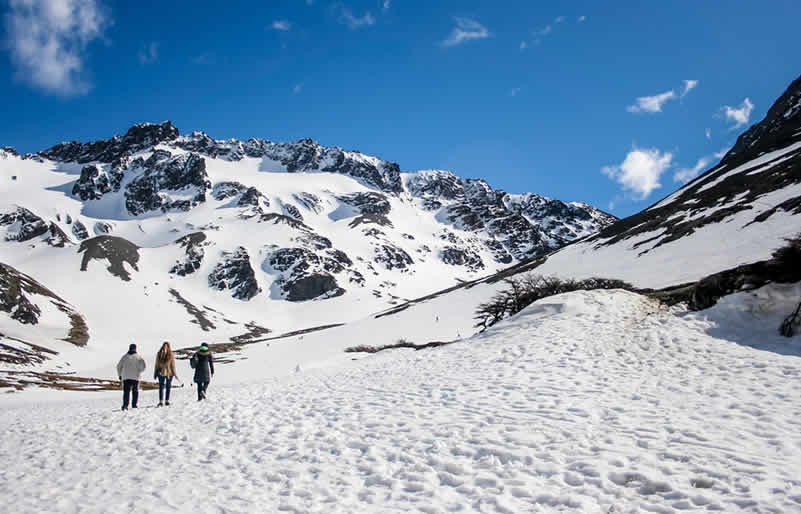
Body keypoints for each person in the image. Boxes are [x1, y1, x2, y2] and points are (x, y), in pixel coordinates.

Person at [116, 343, 146, 410]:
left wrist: (120, 375)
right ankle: (134, 405)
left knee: (126, 392)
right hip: (136, 377)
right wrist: (139, 371)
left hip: (126, 377)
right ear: (135, 349)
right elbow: (143, 366)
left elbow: (118, 367)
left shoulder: (124, 357)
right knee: (135, 391)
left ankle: (125, 405)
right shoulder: (138, 357)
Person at [154, 342, 178, 407]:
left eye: (166, 346)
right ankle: (161, 401)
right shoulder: (159, 354)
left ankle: (167, 400)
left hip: (169, 373)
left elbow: (173, 365)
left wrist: (174, 374)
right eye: (164, 346)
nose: (165, 348)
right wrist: (155, 372)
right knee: (161, 387)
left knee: (168, 387)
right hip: (161, 372)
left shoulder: (171, 354)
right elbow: (156, 364)